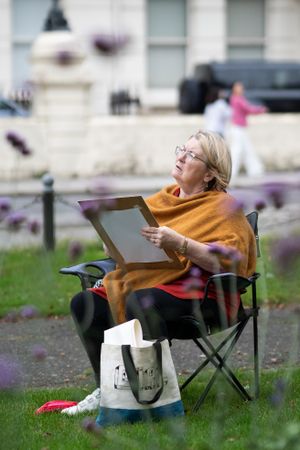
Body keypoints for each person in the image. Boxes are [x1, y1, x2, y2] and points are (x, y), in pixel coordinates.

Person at [61, 130, 257, 415]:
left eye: (192, 155)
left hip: (206, 295)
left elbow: (232, 262)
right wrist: (114, 241)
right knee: (85, 303)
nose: (180, 157)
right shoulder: (163, 199)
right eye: (182, 149)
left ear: (209, 174)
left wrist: (181, 243)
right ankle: (110, 389)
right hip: (155, 283)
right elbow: (138, 252)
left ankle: (154, 398)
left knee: (140, 301)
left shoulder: (225, 208)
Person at [229, 81, 268, 179]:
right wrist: (261, 110)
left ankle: (255, 170)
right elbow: (248, 109)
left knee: (247, 150)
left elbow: (246, 110)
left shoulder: (238, 99)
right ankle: (232, 171)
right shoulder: (236, 99)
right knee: (237, 150)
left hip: (240, 128)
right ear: (234, 89)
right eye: (239, 87)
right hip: (238, 128)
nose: (241, 89)